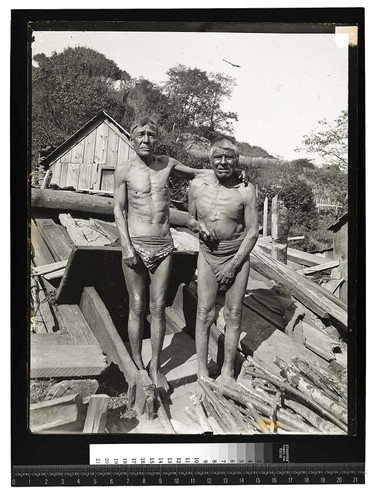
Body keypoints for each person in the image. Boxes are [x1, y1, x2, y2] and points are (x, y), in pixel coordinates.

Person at [113, 117, 208, 394]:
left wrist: (229, 172)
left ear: (157, 139)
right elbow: (119, 210)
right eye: (140, 134)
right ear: (131, 138)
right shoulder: (124, 170)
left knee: (158, 308)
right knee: (137, 305)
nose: (146, 139)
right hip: (136, 244)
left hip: (164, 245)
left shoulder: (167, 164)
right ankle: (139, 365)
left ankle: (156, 369)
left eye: (151, 134)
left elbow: (196, 173)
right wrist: (127, 246)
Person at [188, 137, 259, 387]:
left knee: (233, 314)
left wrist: (234, 264)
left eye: (229, 157)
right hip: (207, 255)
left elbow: (253, 231)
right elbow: (190, 219)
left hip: (236, 256)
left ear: (237, 160)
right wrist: (199, 225)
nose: (223, 162)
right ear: (210, 159)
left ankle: (227, 371)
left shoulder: (246, 190)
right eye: (218, 157)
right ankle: (202, 371)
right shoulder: (196, 186)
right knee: (204, 313)